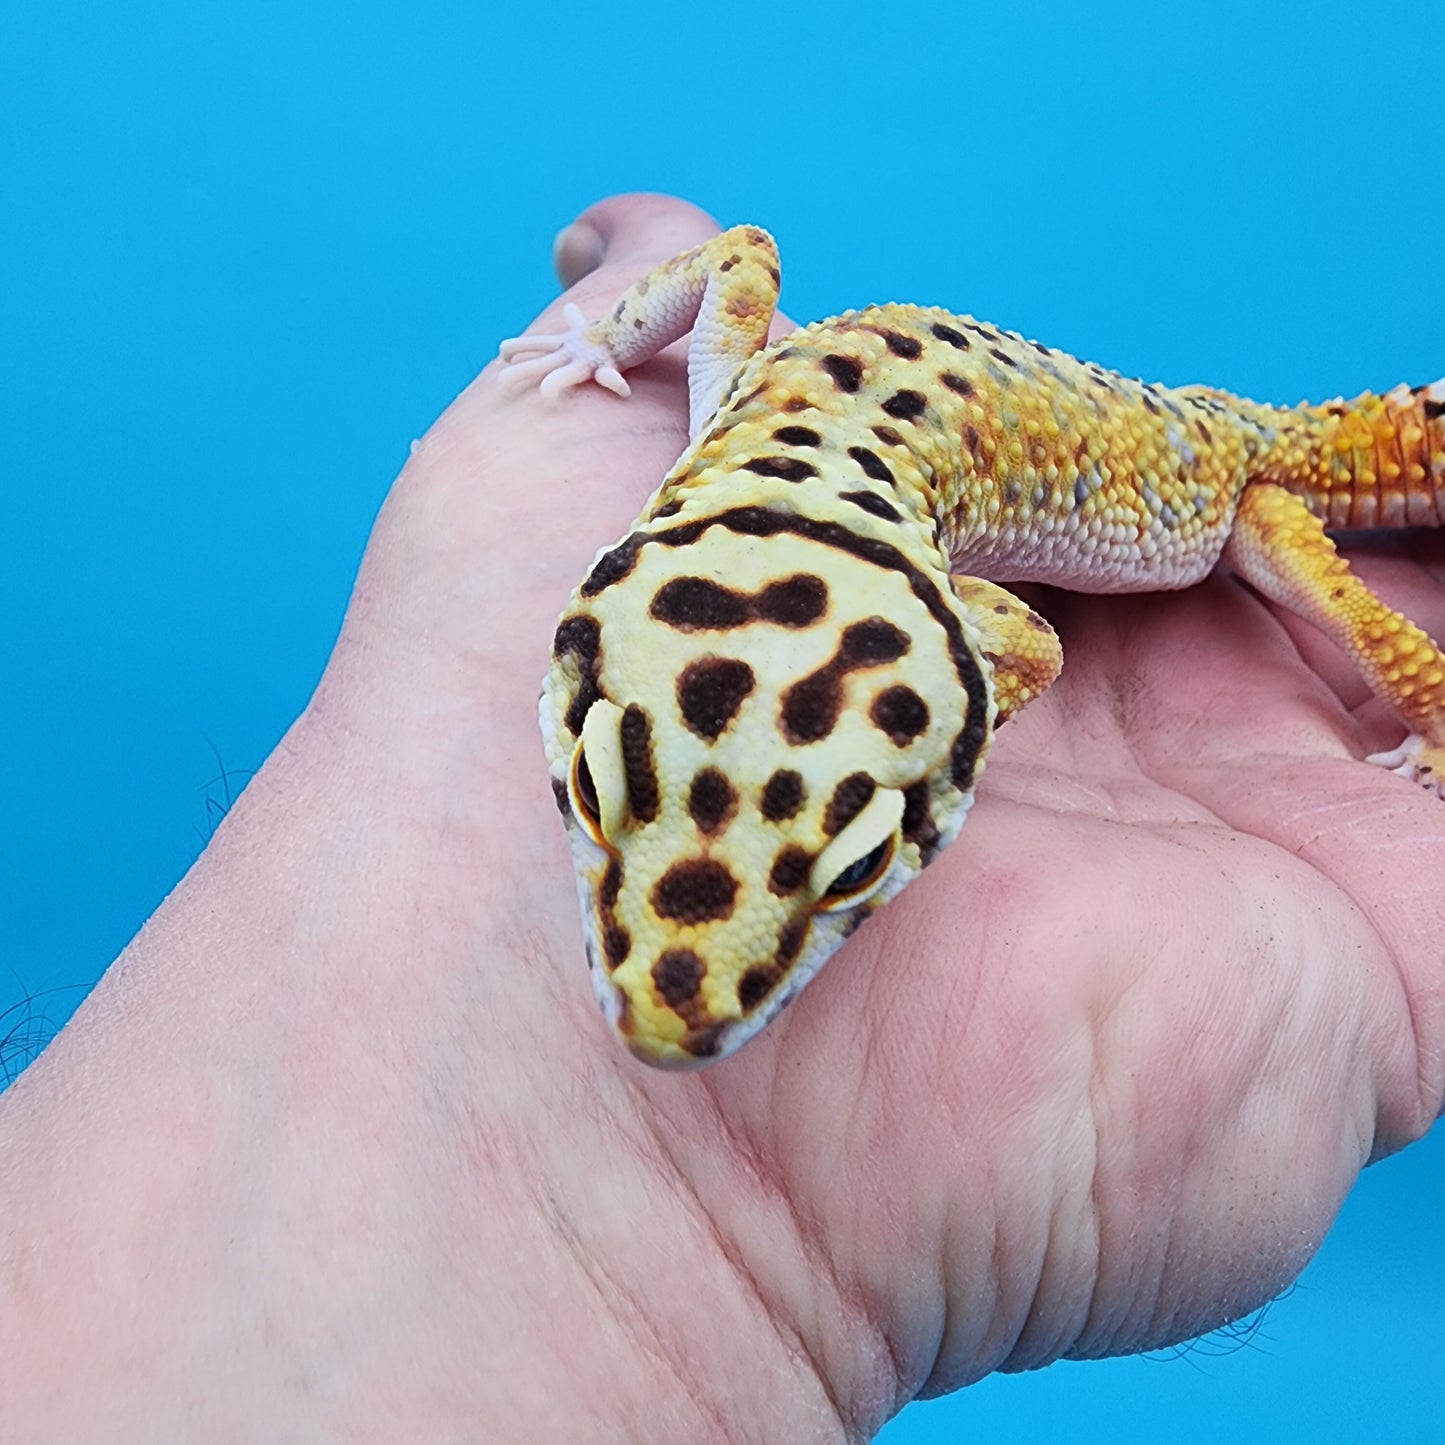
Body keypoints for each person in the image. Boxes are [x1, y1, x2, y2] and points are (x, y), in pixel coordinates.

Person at [1, 192, 1440, 1441]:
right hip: (901, 453)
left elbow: (1022, 643)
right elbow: (736, 258)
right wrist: (604, 338)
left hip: (1218, 467)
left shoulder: (838, 510)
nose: (660, 1009)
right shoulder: (732, 428)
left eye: (849, 868)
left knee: (1314, 592)